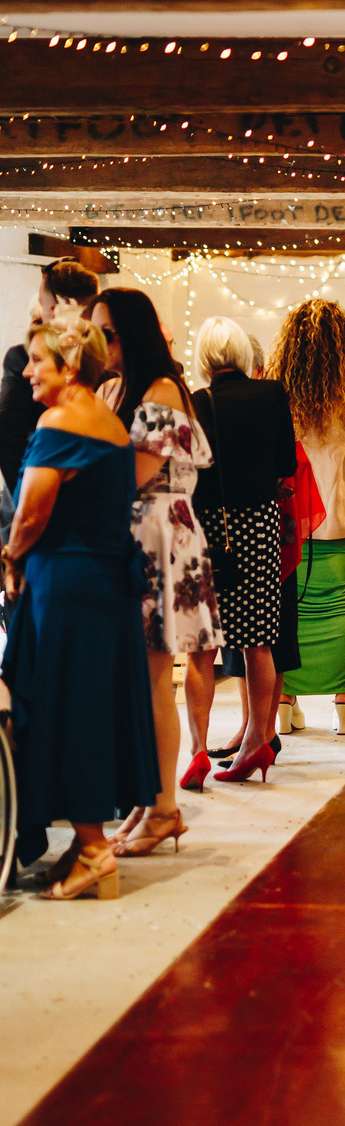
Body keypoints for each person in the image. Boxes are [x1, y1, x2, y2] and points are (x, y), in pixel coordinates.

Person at [0, 319, 160, 898]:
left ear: (69, 368)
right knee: (93, 706)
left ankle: (94, 851)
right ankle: (83, 844)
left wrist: (9, 555)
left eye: (37, 360)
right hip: (106, 582)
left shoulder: (58, 421)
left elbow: (31, 513)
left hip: (65, 585)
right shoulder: (110, 424)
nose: (27, 371)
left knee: (62, 708)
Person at [89, 286, 223, 854]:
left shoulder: (163, 389)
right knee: (140, 682)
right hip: (139, 534)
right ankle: (148, 803)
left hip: (160, 536)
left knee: (152, 682)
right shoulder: (121, 387)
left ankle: (165, 809)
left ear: (132, 335)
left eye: (107, 333)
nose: (99, 343)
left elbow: (130, 474)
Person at [181, 318, 298, 787]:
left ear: (205, 356)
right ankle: (256, 742)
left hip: (208, 530)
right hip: (259, 527)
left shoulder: (196, 401)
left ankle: (196, 752)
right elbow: (286, 463)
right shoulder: (273, 394)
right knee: (258, 642)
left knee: (201, 647)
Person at [267, 299, 345, 734]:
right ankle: (343, 703)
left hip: (290, 511)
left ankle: (286, 702)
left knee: (292, 607)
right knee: (342, 603)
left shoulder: (276, 380)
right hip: (343, 509)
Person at [0, 260, 100, 500]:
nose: (28, 371)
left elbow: (7, 430)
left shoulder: (22, 356)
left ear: (56, 309)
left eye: (44, 305)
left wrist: (28, 494)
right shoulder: (104, 358)